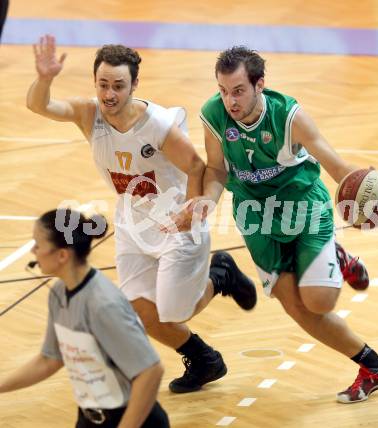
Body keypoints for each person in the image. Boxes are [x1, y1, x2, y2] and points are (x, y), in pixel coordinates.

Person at [26, 35, 257, 394]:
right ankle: (204, 359)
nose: (109, 94)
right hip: (133, 223)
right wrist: (44, 78)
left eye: (118, 86)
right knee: (140, 312)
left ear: (135, 84)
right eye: (103, 85)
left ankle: (220, 274)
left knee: (176, 312)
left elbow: (197, 166)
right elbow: (40, 106)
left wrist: (192, 213)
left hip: (175, 224)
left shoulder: (158, 125)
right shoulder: (90, 114)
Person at [199, 46, 378, 403]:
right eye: (223, 91)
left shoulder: (289, 116)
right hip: (255, 217)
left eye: (239, 90)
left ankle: (338, 257)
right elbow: (215, 169)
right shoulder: (214, 114)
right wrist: (205, 203)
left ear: (260, 84)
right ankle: (373, 366)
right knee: (295, 307)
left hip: (303, 207)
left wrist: (374, 185)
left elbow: (337, 168)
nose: (230, 100)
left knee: (319, 302)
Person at [0, 208, 169, 427]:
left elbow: (151, 371)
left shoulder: (103, 305)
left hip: (132, 418)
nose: (33, 251)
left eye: (38, 245)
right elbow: (50, 359)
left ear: (62, 255)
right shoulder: (59, 292)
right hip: (90, 417)